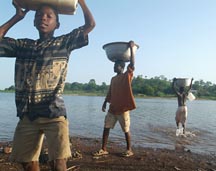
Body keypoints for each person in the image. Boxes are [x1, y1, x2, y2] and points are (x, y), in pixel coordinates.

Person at [0, 0, 95, 170]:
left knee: (58, 161)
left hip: (53, 113)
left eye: (49, 16)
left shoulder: (64, 43)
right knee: (27, 162)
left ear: (57, 25)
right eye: (39, 15)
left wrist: (81, 2)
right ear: (34, 21)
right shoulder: (23, 45)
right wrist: (17, 17)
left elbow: (90, 24)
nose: (43, 18)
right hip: (27, 113)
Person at [93, 41, 136, 157]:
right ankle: (103, 148)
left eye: (115, 66)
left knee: (126, 130)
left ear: (122, 67)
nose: (114, 67)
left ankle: (129, 149)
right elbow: (110, 92)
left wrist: (132, 49)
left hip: (123, 109)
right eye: (114, 66)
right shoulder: (113, 79)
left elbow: (132, 64)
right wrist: (105, 102)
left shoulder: (127, 76)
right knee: (106, 127)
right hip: (112, 109)